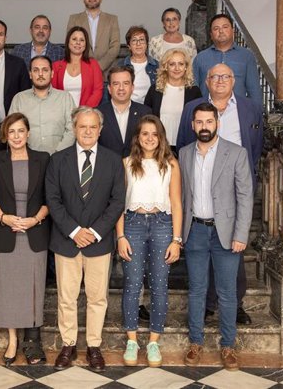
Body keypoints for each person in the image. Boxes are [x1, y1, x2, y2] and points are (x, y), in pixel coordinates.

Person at [176, 63, 263, 325]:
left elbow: (254, 148)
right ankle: (204, 307)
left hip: (234, 183)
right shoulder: (194, 109)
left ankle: (233, 306)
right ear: (207, 81)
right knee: (201, 265)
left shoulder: (249, 108)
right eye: (215, 77)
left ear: (234, 80)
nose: (221, 81)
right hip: (201, 184)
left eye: (226, 76)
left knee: (231, 254)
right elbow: (183, 142)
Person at [45, 107, 126, 372]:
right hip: (66, 241)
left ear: (100, 130)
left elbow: (117, 202)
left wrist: (94, 232)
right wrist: (74, 231)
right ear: (74, 128)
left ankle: (93, 346)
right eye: (83, 127)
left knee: (97, 298)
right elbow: (53, 200)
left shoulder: (114, 161)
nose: (88, 131)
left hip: (98, 242)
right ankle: (68, 345)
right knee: (66, 298)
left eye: (93, 127)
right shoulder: (58, 160)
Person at [180, 103, 253, 371]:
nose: (204, 127)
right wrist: (180, 235)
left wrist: (241, 234)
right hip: (195, 231)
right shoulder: (185, 154)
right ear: (192, 125)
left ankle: (228, 345)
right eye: (199, 122)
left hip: (226, 233)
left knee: (227, 292)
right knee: (197, 290)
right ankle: (195, 342)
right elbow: (180, 196)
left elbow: (245, 197)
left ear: (217, 123)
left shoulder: (236, 153)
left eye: (209, 122)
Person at [116, 115, 182, 368]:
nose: (150, 138)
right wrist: (120, 236)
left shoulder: (171, 165)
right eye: (145, 134)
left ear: (161, 137)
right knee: (132, 283)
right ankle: (132, 340)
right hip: (132, 223)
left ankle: (153, 341)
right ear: (138, 137)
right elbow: (119, 205)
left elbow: (176, 202)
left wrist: (176, 239)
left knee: (159, 284)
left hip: (162, 224)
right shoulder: (126, 163)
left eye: (155, 134)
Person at [0, 113, 51, 366]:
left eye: (20, 131)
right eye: (11, 131)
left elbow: (49, 199)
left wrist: (35, 219)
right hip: (6, 232)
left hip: (34, 232)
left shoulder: (42, 159)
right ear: (5, 134)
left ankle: (32, 343)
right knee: (8, 288)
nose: (16, 136)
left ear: (28, 133)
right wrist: (5, 218)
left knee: (34, 288)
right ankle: (13, 340)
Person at [10, 55, 76, 154]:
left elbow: (72, 129)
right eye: (36, 70)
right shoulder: (19, 99)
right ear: (30, 74)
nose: (40, 74)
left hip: (60, 158)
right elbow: (11, 129)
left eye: (45, 70)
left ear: (52, 73)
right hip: (27, 158)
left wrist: (57, 153)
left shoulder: (65, 98)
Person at [193, 14, 262, 106]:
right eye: (216, 28)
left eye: (225, 27)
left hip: (238, 112)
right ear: (211, 34)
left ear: (233, 31)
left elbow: (254, 90)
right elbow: (194, 90)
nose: (221, 31)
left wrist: (256, 115)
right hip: (206, 114)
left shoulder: (246, 56)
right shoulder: (200, 58)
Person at [144, 49, 202, 152]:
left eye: (181, 64)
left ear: (186, 67)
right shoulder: (155, 89)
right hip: (157, 145)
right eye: (172, 64)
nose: (177, 68)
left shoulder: (194, 92)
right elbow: (147, 118)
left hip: (186, 146)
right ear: (165, 66)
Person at [97, 65, 152, 158]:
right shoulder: (97, 113)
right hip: (107, 169)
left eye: (126, 83)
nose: (121, 88)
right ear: (109, 89)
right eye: (116, 84)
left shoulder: (146, 113)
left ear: (132, 87)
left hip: (137, 168)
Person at [66, 0, 120, 72]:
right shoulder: (74, 19)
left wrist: (98, 66)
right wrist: (86, 67)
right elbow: (71, 45)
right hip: (80, 70)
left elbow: (115, 47)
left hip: (106, 72)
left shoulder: (112, 19)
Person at [51, 26, 103, 107]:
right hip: (62, 113)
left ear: (86, 44)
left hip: (86, 113)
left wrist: (83, 111)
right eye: (74, 39)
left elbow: (98, 91)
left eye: (82, 40)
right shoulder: (56, 66)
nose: (78, 42)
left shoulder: (93, 64)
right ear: (68, 42)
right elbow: (53, 93)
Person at [122, 25, 158, 104]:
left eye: (142, 40)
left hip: (150, 109)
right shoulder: (121, 66)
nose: (138, 44)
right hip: (127, 107)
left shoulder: (157, 66)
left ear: (146, 44)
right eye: (134, 40)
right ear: (129, 46)